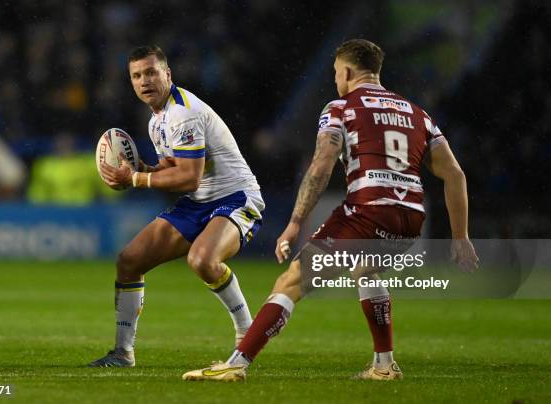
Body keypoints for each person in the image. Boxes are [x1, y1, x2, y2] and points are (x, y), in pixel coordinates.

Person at [183, 38, 479, 381]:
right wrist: (461, 237)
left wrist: (295, 222)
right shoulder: (418, 114)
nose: (335, 79)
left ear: (348, 71)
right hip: (410, 218)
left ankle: (237, 364)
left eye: (336, 72)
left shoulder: (341, 108)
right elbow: (454, 174)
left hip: (368, 212)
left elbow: (323, 162)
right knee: (365, 271)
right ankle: (383, 367)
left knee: (291, 281)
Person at [89, 45, 264, 367]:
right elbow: (173, 166)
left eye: (151, 72)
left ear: (167, 74)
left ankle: (247, 332)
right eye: (137, 75)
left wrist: (136, 180)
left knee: (203, 260)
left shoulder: (183, 113)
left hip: (236, 197)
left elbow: (188, 178)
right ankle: (122, 353)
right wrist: (144, 169)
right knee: (129, 261)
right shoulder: (157, 120)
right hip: (197, 203)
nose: (145, 81)